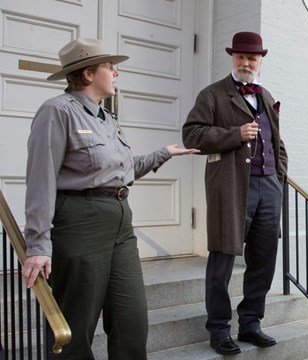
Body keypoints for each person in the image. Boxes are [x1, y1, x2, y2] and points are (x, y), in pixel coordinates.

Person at [20, 38, 199, 360]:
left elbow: (121, 171)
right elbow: (40, 179)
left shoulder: (106, 118)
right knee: (75, 325)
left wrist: (163, 154)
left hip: (119, 220)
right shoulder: (58, 112)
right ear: (88, 74)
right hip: (79, 221)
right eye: (110, 67)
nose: (116, 74)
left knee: (132, 321)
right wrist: (37, 244)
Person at [181, 31, 288, 356]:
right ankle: (218, 329)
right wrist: (234, 134)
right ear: (232, 58)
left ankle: (251, 323)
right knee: (223, 257)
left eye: (251, 58)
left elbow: (276, 142)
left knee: (264, 258)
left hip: (268, 185)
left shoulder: (266, 95)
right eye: (240, 57)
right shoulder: (213, 94)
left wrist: (280, 175)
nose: (245, 63)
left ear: (260, 60)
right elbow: (191, 135)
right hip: (230, 186)